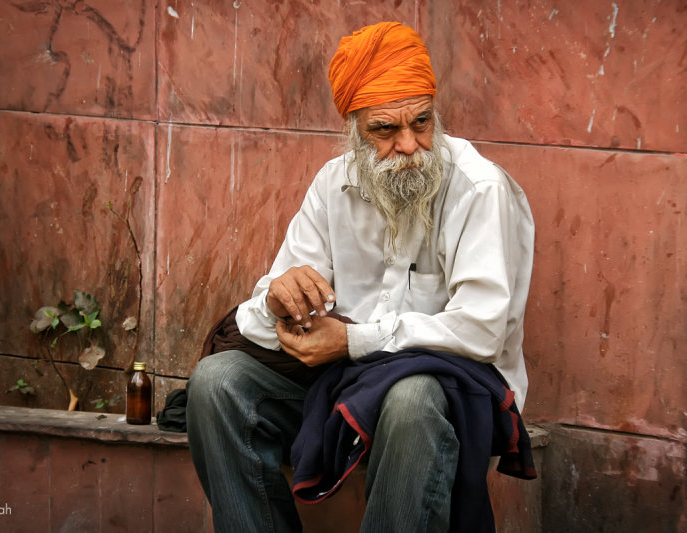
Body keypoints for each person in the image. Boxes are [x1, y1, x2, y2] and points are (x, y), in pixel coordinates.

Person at [186, 21, 535, 533]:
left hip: (451, 395)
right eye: (385, 131)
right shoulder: (334, 184)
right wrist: (277, 304)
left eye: (421, 123)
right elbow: (263, 326)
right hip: (342, 386)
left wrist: (352, 341)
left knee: (411, 396)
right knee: (216, 383)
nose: (411, 145)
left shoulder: (479, 188)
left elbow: (482, 331)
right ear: (353, 128)